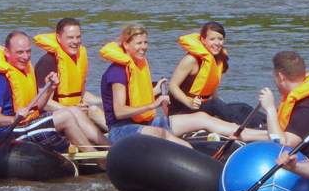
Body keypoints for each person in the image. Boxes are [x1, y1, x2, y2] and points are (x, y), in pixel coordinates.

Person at [100, 24, 265, 146]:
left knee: (202, 118)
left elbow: (136, 96)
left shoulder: (139, 65)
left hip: (145, 123)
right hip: (121, 130)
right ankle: (191, 154)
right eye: (139, 43)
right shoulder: (117, 72)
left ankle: (264, 135)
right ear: (126, 45)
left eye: (145, 43)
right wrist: (153, 104)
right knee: (161, 133)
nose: (143, 47)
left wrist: (155, 90)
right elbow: (120, 111)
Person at [0, 31, 107, 152]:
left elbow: (38, 107)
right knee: (66, 116)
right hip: (11, 132)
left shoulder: (26, 72)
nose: (26, 57)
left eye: (28, 52)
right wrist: (13, 119)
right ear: (7, 52)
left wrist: (50, 87)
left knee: (73, 110)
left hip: (29, 124)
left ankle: (109, 146)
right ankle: (98, 159)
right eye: (20, 52)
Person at [34, 18, 108, 133]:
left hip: (75, 110)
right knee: (92, 111)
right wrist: (73, 110)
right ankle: (112, 142)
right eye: (70, 38)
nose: (75, 41)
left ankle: (118, 136)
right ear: (58, 38)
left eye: (78, 37)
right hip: (56, 118)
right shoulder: (48, 62)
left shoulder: (78, 58)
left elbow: (80, 94)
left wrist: (103, 102)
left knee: (95, 109)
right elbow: (44, 103)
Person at [258, 51, 309, 159]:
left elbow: (281, 144)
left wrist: (270, 109)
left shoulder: (308, 108)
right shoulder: (305, 100)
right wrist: (245, 135)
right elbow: (277, 133)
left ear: (280, 77)